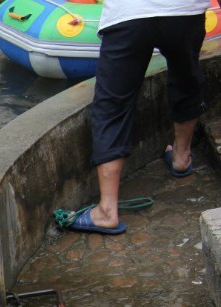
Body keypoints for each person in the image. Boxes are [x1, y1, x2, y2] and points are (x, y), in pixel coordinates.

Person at [69, 0, 209, 235]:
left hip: (129, 12)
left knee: (113, 105)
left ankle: (106, 211)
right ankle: (181, 157)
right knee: (186, 81)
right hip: (185, 10)